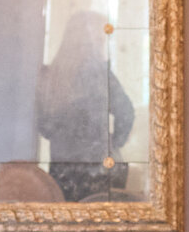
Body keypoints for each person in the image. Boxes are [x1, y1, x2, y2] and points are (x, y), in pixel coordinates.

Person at [34, 10, 135, 202]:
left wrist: (66, 135)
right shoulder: (99, 74)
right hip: (100, 169)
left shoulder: (49, 76)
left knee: (68, 225)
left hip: (63, 170)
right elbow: (126, 112)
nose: (101, 45)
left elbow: (45, 127)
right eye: (99, 39)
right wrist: (113, 142)